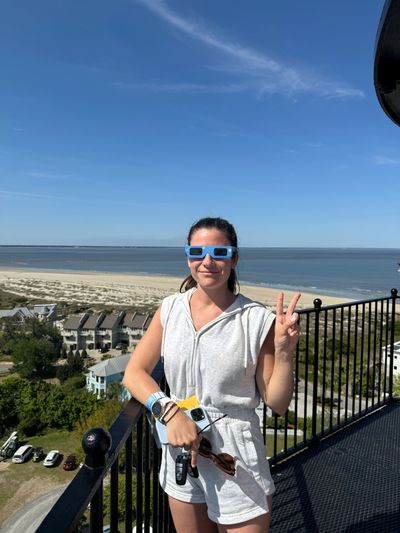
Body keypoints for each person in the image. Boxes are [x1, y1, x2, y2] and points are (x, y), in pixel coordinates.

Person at [122, 217, 301, 532]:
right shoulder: (171, 309)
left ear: (234, 259)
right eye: (197, 252)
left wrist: (284, 352)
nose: (207, 261)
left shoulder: (255, 319)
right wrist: (169, 411)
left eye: (219, 252)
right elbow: (134, 373)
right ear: (187, 257)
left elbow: (277, 402)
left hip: (234, 457)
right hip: (181, 445)